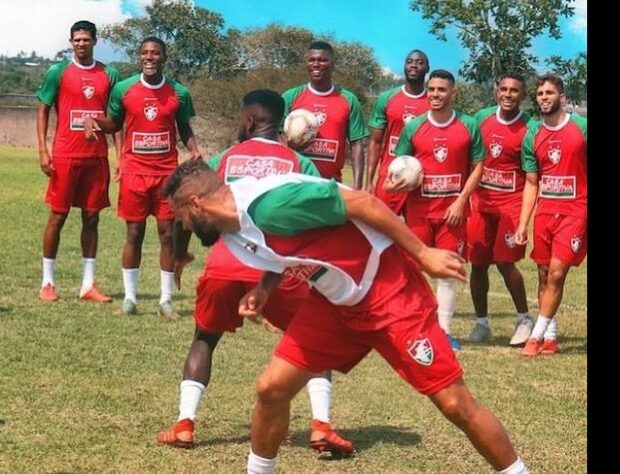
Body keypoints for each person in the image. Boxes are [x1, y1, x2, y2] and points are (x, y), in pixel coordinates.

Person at [163, 159, 528, 474]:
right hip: (336, 303)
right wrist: (264, 288)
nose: (186, 229)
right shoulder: (234, 226)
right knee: (271, 389)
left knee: (455, 405)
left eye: (181, 217)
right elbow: (288, 246)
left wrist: (422, 253)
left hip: (389, 292)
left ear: (195, 204)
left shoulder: (270, 205)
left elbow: (362, 203)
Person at [157, 90, 352, 455]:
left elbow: (188, 204)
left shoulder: (225, 158)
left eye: (238, 117)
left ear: (248, 121)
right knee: (313, 343)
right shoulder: (298, 163)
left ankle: (185, 425)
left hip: (226, 264)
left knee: (205, 338)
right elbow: (322, 218)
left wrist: (181, 254)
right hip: (279, 270)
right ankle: (321, 427)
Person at [84, 37, 202, 318]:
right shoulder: (124, 89)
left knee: (167, 235)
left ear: (164, 58)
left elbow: (183, 126)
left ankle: (165, 300)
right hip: (135, 171)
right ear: (140, 57)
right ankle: (130, 299)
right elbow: (114, 123)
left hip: (165, 173)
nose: (149, 57)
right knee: (134, 233)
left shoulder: (179, 92)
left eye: (155, 53)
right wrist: (94, 121)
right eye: (145, 53)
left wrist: (195, 151)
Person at [389, 69, 485, 350]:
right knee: (414, 271)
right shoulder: (414, 127)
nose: (434, 95)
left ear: (453, 92)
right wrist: (396, 185)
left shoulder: (468, 125)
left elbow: (478, 165)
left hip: (452, 214)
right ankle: (415, 327)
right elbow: (398, 167)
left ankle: (443, 332)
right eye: (431, 89)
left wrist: (460, 201)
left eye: (441, 90)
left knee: (447, 271)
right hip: (419, 212)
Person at [36, 20, 121, 304]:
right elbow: (43, 109)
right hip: (65, 155)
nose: (81, 43)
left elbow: (115, 119)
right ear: (71, 42)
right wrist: (43, 150)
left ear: (95, 41)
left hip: (96, 158)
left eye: (86, 39)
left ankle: (88, 285)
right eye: (77, 39)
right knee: (57, 217)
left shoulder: (109, 74)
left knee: (92, 217)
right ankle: (48, 282)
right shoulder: (58, 72)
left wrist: (119, 154)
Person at [515, 73, 587, 357]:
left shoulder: (581, 128)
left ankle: (534, 337)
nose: (544, 98)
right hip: (546, 213)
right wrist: (523, 223)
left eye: (549, 93)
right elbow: (532, 183)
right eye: (540, 94)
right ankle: (551, 336)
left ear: (562, 97)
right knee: (544, 274)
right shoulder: (533, 134)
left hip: (576, 211)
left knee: (557, 273)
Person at [467, 74, 535, 345]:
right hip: (481, 204)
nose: (508, 94)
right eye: (503, 89)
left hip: (511, 204)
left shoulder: (530, 127)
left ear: (523, 95)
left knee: (506, 262)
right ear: (496, 92)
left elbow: (532, 175)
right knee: (478, 264)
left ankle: (524, 319)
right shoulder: (481, 119)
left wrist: (523, 221)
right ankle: (482, 323)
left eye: (514, 91)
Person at [281, 41, 368, 188]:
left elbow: (357, 144)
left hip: (330, 185)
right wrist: (291, 144)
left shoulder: (348, 99)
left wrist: (357, 187)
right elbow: (275, 138)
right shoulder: (290, 97)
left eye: (322, 60)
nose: (316, 64)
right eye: (311, 60)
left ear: (333, 64)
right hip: (295, 183)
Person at [366, 49, 430, 212]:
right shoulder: (387, 98)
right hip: (390, 176)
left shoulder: (433, 102)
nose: (414, 65)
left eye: (419, 62)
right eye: (409, 62)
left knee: (415, 234)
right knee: (381, 233)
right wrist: (369, 182)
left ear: (427, 69)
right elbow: (375, 142)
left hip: (421, 179)